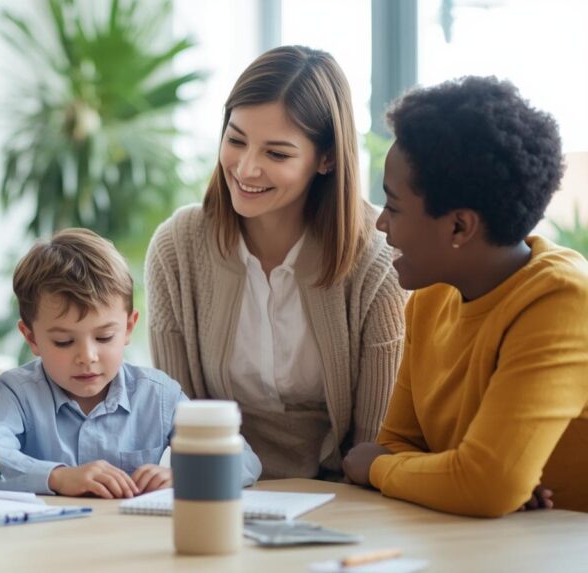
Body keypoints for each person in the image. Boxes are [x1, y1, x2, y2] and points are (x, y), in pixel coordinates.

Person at [146, 45, 407, 481]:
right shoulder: (177, 248)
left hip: (344, 493)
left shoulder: (376, 259)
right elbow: (177, 423)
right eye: (236, 140)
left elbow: (374, 444)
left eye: (277, 154)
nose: (246, 169)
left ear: (325, 159)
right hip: (214, 484)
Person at [342, 76, 588, 517]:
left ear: (459, 227)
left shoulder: (565, 300)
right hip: (491, 547)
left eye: (394, 207)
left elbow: (484, 483)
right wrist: (462, 479)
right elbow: (400, 444)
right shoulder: (431, 299)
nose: (381, 225)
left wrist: (381, 468)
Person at [0, 229, 262, 497]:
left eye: (104, 337)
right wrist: (58, 477)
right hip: (43, 543)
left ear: (127, 328)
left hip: (130, 541)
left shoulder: (158, 395)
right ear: (32, 338)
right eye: (64, 341)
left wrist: (189, 475)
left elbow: (243, 459)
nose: (87, 356)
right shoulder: (14, 392)